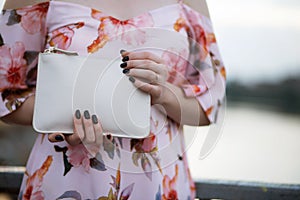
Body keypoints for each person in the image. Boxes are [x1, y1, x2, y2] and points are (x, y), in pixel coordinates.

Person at [0, 0, 226, 199]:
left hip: (157, 185)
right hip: (65, 180)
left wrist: (163, 93)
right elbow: (4, 95)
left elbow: (211, 105)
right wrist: (65, 116)